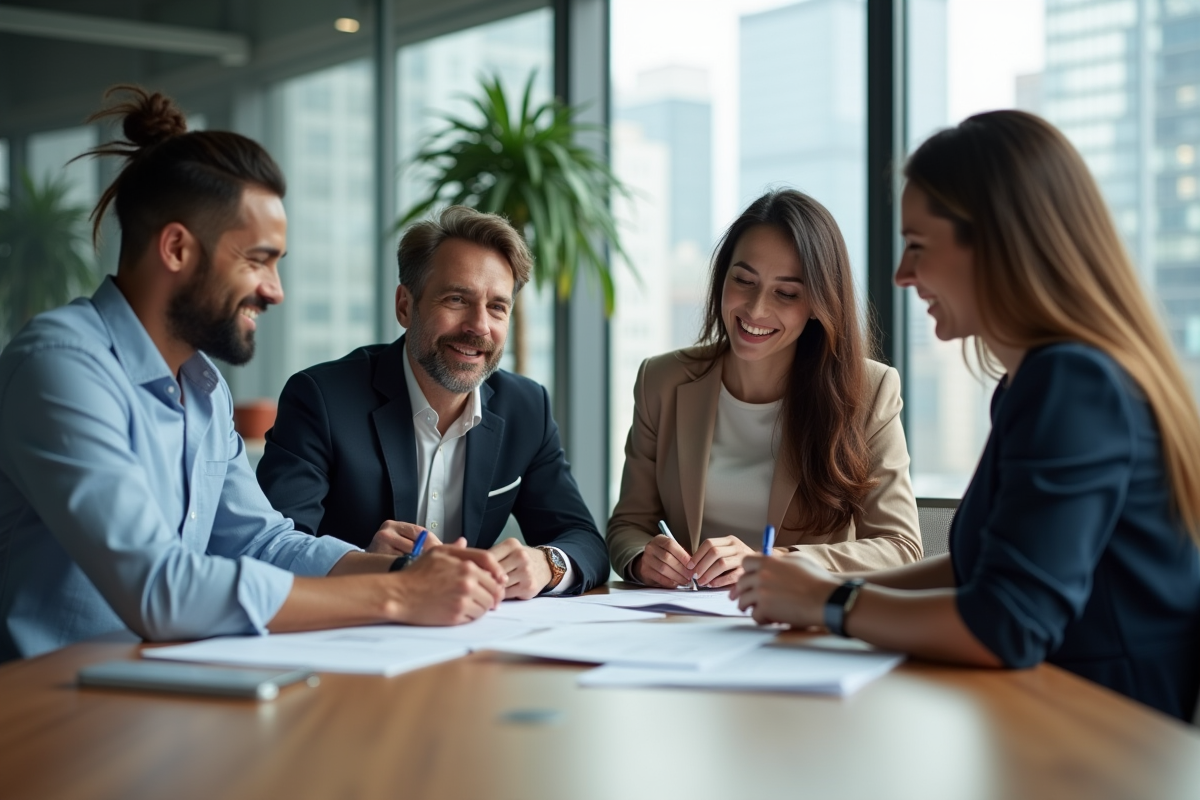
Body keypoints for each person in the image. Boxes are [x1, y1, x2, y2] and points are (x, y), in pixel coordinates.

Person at [0, 87, 508, 662]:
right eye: (257, 260)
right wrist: (397, 593)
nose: (275, 290)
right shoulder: (61, 368)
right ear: (176, 249)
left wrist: (409, 566)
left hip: (155, 699)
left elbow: (260, 540)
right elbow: (159, 590)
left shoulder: (204, 389)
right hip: (46, 713)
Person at [733, 111, 1200, 721]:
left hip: (1099, 742)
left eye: (918, 247)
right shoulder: (1034, 381)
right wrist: (819, 593)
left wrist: (831, 604)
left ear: (1002, 245)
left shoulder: (1073, 384)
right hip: (1041, 721)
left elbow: (1007, 622)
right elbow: (988, 570)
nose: (902, 275)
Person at [256, 206, 609, 598]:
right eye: (457, 299)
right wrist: (362, 562)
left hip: (468, 638)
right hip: (349, 635)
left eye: (497, 306)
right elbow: (269, 547)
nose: (479, 326)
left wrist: (547, 563)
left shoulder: (527, 407)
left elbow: (584, 540)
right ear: (405, 306)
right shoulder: (320, 399)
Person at [607, 190, 922, 590]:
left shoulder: (869, 391)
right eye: (744, 281)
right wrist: (641, 558)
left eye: (786, 293)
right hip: (683, 620)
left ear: (817, 303)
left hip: (796, 626)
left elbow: (900, 546)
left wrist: (771, 562)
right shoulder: (662, 380)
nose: (756, 310)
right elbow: (628, 524)